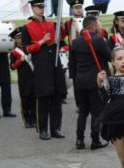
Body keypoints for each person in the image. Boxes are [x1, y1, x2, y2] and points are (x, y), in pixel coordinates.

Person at [22, 0, 67, 140]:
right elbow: (26, 49)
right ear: (32, 8)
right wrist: (41, 42)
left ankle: (56, 128)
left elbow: (62, 39)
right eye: (38, 7)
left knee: (57, 97)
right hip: (41, 63)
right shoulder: (27, 27)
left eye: (43, 6)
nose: (41, 9)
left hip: (54, 61)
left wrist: (63, 27)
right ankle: (42, 129)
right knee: (43, 97)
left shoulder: (52, 24)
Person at [69, 15, 110, 150]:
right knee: (97, 112)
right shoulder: (98, 40)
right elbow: (110, 56)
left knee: (83, 112)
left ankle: (79, 140)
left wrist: (75, 80)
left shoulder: (75, 42)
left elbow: (72, 64)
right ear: (93, 25)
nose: (100, 25)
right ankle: (95, 140)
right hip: (95, 81)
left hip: (80, 82)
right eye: (98, 23)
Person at [9, 27, 36, 128]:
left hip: (33, 76)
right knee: (25, 98)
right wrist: (19, 61)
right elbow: (12, 67)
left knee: (34, 98)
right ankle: (27, 119)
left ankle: (34, 118)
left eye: (22, 37)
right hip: (24, 78)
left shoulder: (29, 48)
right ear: (15, 40)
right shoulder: (14, 52)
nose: (21, 39)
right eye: (18, 37)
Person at [61, 0, 84, 112]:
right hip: (74, 54)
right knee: (76, 79)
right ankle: (79, 104)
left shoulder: (87, 20)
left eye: (80, 7)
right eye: (76, 7)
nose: (78, 9)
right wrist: (60, 27)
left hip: (86, 53)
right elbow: (61, 37)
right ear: (72, 9)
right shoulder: (68, 23)